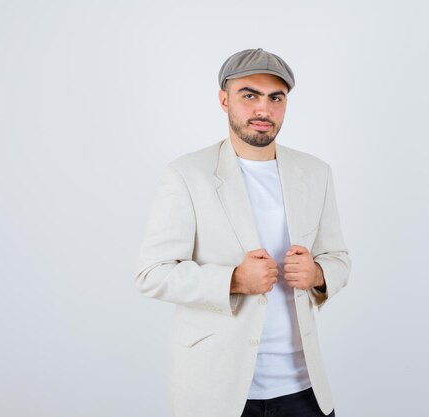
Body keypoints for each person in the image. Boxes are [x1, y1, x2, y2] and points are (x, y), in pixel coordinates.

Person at [134, 48, 351, 417]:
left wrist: (317, 274)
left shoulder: (315, 173)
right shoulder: (187, 174)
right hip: (217, 389)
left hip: (304, 388)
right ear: (224, 100)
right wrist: (233, 280)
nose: (263, 110)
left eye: (275, 98)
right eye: (249, 95)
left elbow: (338, 258)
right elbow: (152, 274)